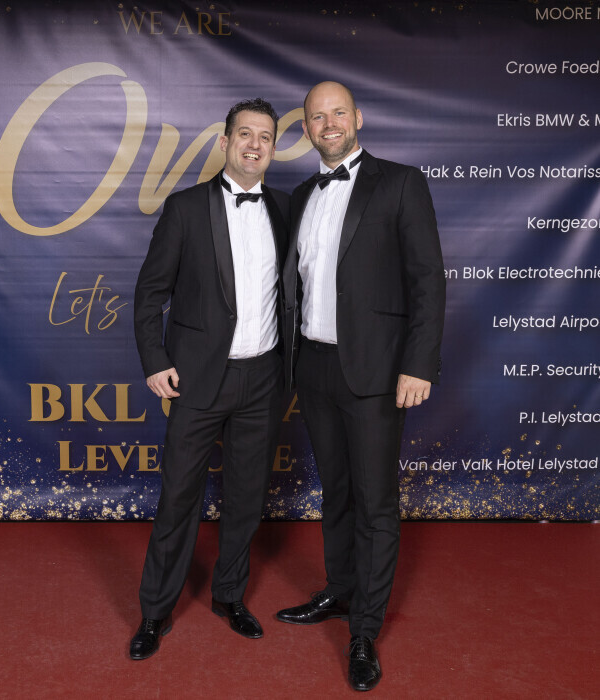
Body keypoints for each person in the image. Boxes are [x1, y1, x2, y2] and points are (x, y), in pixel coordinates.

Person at [277, 81, 445, 691]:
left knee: (375, 502)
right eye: (317, 117)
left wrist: (418, 365)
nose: (328, 124)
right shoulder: (301, 195)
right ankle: (341, 590)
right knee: (338, 492)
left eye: (338, 113)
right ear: (306, 128)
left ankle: (364, 631)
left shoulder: (400, 183)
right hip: (315, 367)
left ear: (358, 118)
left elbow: (427, 280)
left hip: (376, 371)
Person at [130, 98, 289, 660]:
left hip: (263, 377)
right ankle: (155, 611)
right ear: (225, 142)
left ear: (273, 147)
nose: (254, 144)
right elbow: (149, 294)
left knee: (247, 497)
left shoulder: (285, 208)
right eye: (244, 134)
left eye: (264, 136)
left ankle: (230, 595)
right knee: (179, 496)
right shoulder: (185, 208)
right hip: (197, 378)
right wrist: (155, 360)